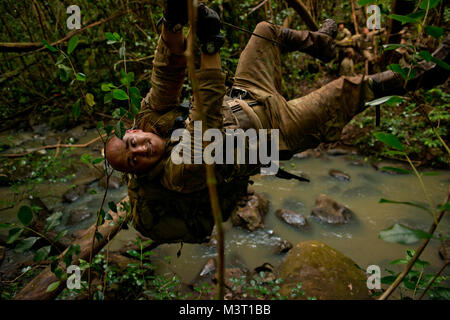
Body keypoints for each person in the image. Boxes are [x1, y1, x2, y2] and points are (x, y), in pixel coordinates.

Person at [106, 2, 450, 245]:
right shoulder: (177, 175)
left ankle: (322, 43)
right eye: (134, 159)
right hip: (278, 133)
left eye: (133, 143)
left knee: (264, 30)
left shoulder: (150, 116)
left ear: (134, 130)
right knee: (349, 89)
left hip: (248, 93)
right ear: (138, 171)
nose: (139, 150)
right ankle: (426, 75)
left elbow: (166, 75)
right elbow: (205, 118)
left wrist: (171, 23)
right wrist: (209, 48)